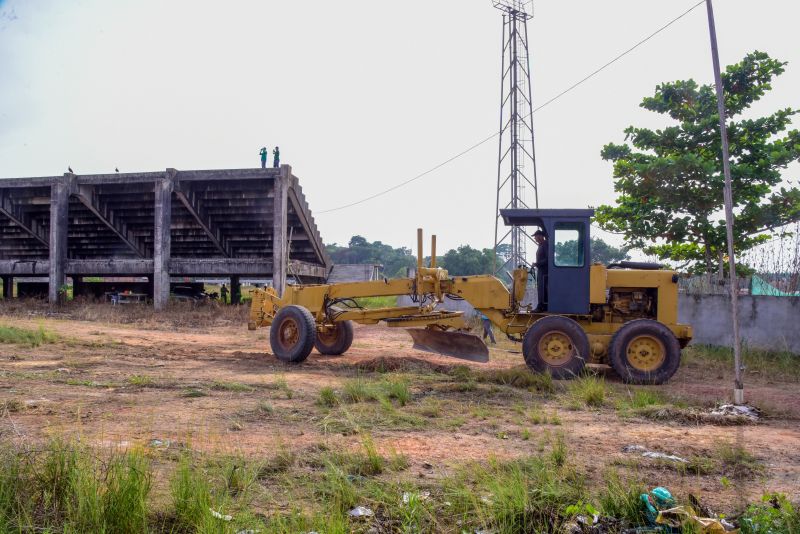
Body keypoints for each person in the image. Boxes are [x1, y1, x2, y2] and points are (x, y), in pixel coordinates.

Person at [533, 229, 548, 312]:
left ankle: (542, 306)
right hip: (541, 270)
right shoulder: (541, 246)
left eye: (536, 236)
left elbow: (548, 259)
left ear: (540, 236)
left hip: (545, 271)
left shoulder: (545, 244)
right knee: (540, 288)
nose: (535, 238)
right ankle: (541, 305)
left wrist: (537, 264)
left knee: (543, 288)